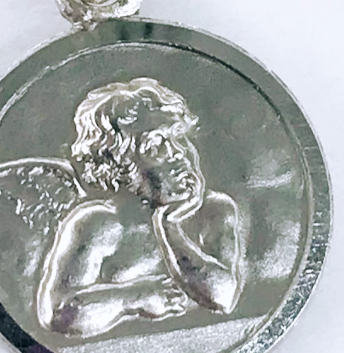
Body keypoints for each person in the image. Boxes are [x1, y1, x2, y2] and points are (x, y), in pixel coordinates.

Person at [36, 78, 242, 337]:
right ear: (121, 166)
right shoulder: (98, 224)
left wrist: (168, 226)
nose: (177, 153)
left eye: (179, 138)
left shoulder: (214, 210)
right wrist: (136, 297)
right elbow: (60, 314)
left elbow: (223, 297)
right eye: (155, 145)